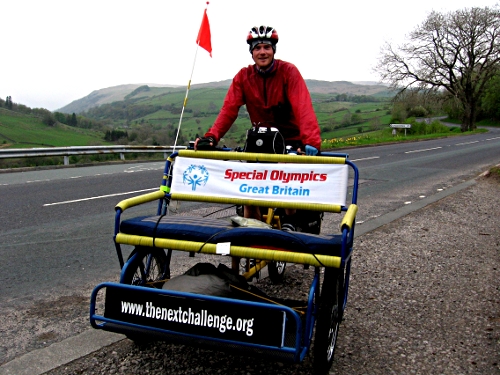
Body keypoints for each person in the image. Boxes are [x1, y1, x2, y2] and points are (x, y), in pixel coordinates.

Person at [195, 25, 322, 231]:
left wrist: (311, 141)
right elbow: (229, 109)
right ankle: (252, 232)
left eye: (266, 47)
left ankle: (291, 220)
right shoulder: (244, 77)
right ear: (251, 52)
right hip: (261, 140)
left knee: (284, 174)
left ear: (273, 50)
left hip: (290, 140)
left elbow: (302, 105)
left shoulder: (288, 72)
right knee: (248, 186)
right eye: (257, 48)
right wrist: (212, 137)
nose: (262, 52)